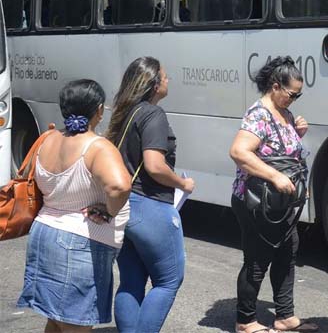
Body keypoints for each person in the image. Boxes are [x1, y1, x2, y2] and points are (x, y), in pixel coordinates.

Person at [17, 79, 132, 332]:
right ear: (99, 110)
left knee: (54, 320)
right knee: (75, 326)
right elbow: (120, 186)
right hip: (78, 242)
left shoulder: (47, 139)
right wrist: (109, 211)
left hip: (44, 233)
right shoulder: (97, 146)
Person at [228, 56, 317, 333]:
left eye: (299, 95)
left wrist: (296, 133)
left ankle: (284, 316)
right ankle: (245, 321)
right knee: (257, 260)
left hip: (282, 203)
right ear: (275, 86)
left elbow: (281, 152)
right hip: (257, 201)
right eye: (293, 94)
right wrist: (275, 176)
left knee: (287, 253)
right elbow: (239, 152)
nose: (295, 99)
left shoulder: (285, 113)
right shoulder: (259, 114)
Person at [106, 56, 195, 333]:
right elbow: (155, 166)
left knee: (131, 281)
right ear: (154, 84)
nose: (169, 80)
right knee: (168, 281)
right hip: (150, 206)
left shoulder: (124, 113)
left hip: (124, 208)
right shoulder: (154, 115)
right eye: (165, 77)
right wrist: (182, 184)